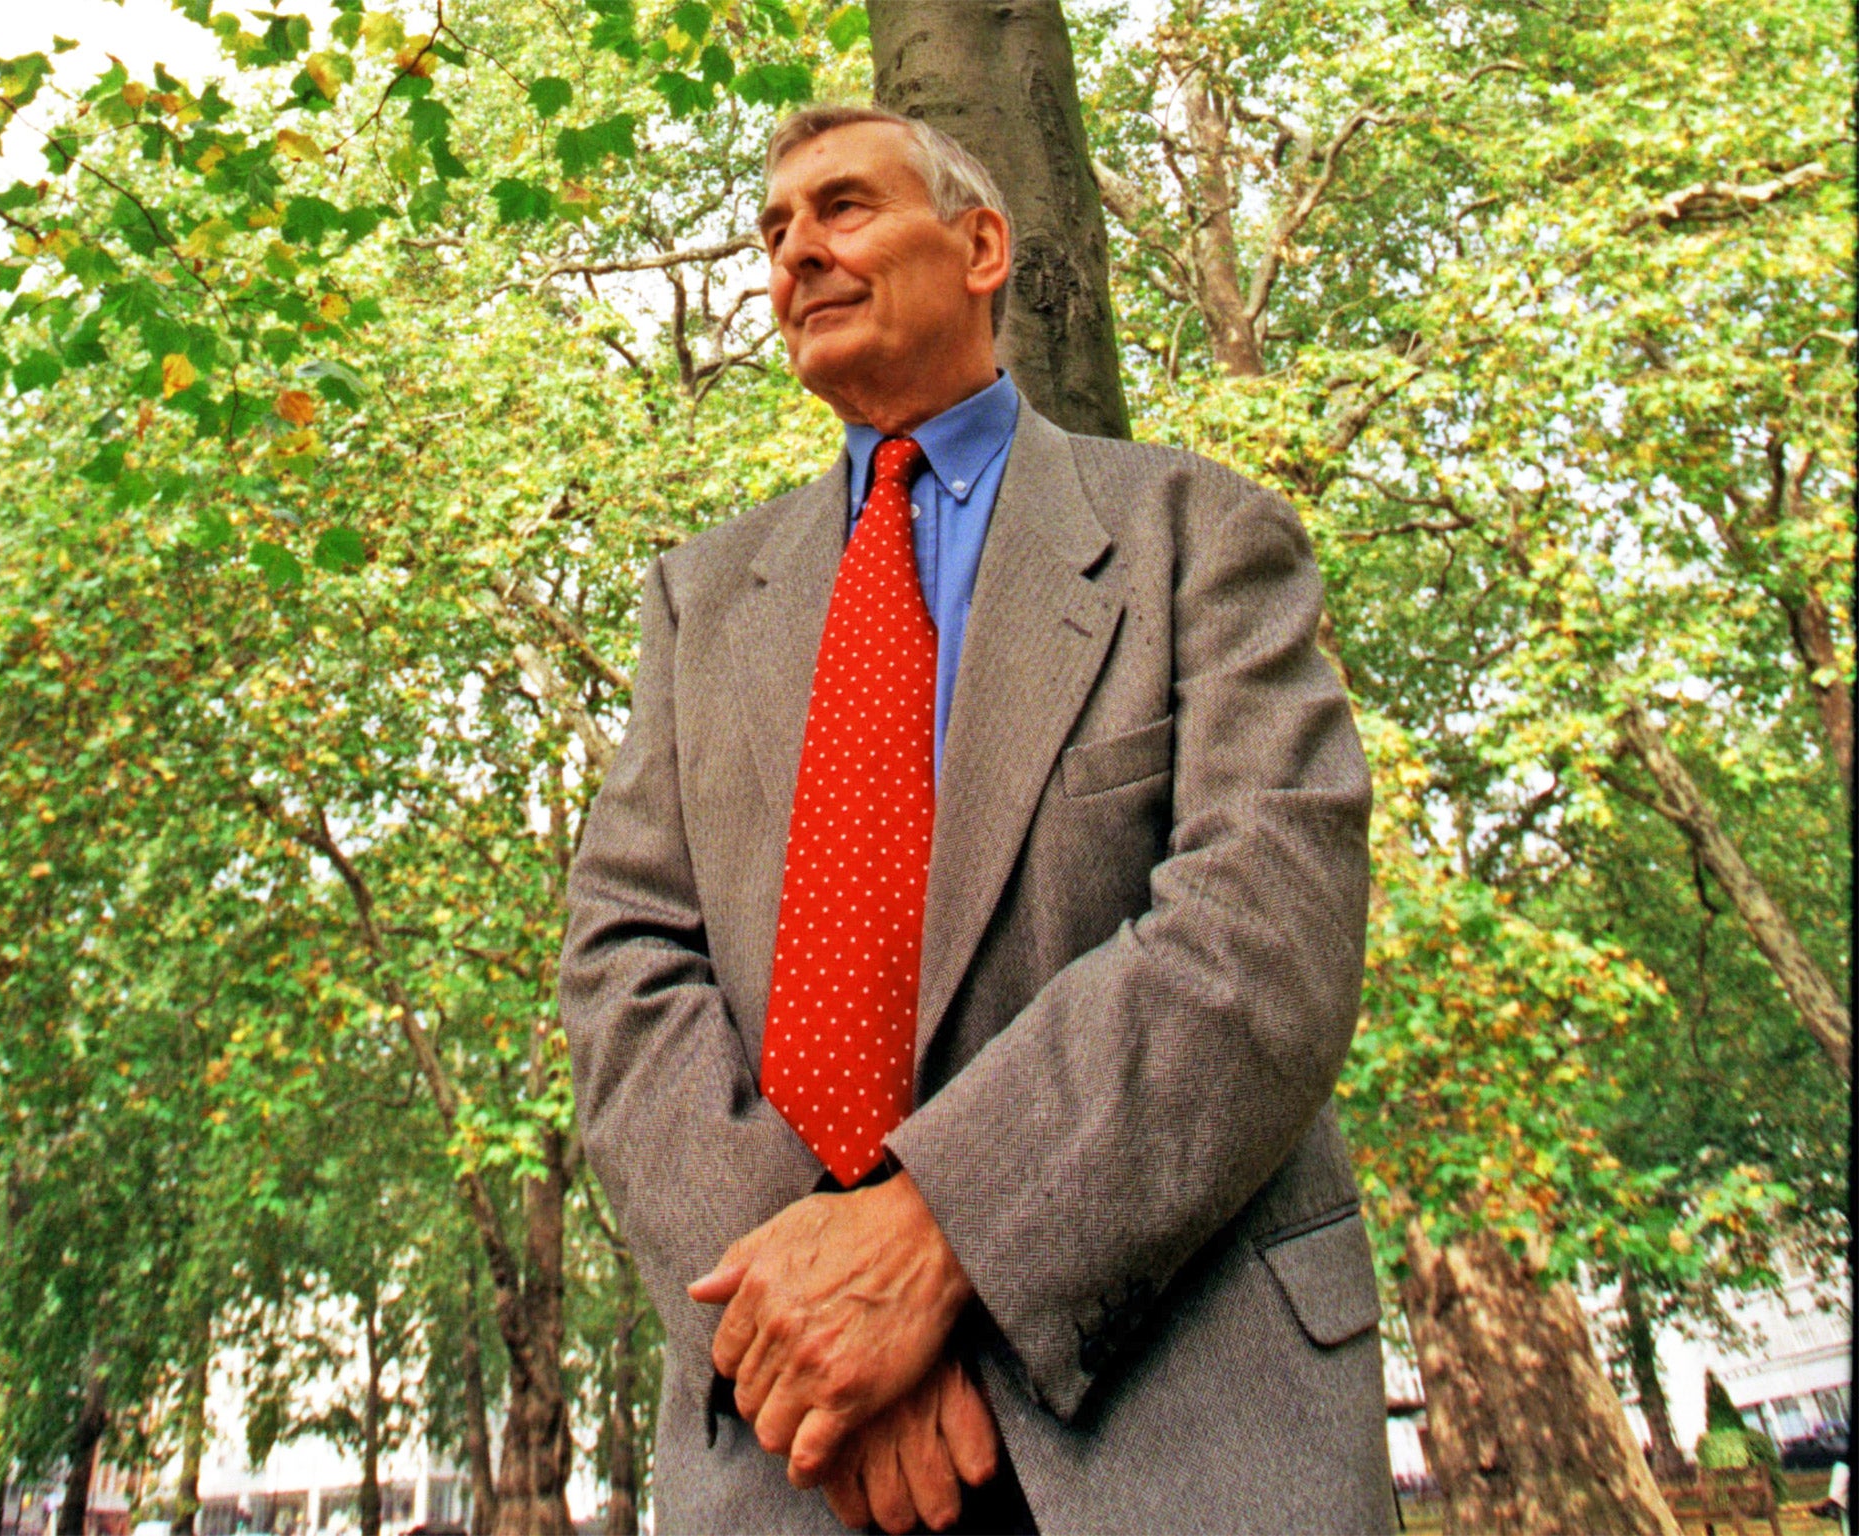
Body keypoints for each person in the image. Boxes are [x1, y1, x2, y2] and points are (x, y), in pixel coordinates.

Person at [559, 103, 1390, 1534]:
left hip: (1174, 1427)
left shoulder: (1202, 536)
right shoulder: (697, 607)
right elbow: (622, 963)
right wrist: (814, 1322)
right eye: (773, 232)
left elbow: (1268, 918)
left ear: (983, 244)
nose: (797, 253)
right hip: (797, 1454)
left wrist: (944, 1242)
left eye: (845, 209)